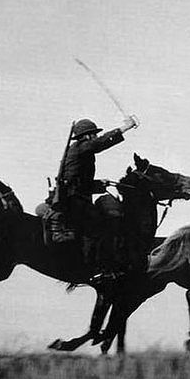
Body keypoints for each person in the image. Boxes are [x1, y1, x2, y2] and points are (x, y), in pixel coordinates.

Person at [57, 116, 138, 282]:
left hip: (75, 196)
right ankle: (95, 269)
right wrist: (125, 127)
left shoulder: (79, 150)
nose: (95, 137)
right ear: (87, 136)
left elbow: (78, 180)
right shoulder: (82, 147)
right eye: (93, 135)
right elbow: (100, 143)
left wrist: (98, 184)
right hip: (75, 200)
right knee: (101, 225)